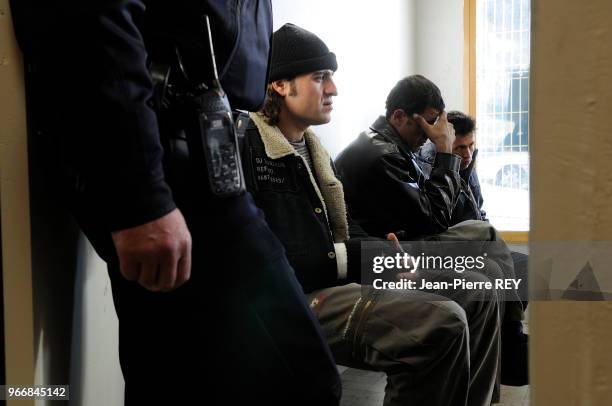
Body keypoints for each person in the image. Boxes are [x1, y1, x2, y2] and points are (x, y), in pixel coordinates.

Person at [10, 1, 341, 404]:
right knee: (300, 380)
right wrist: (142, 197)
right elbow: (90, 15)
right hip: (170, 159)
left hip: (196, 153)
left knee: (179, 379)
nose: (332, 89)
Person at [242, 23, 502, 406]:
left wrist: (384, 254)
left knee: (479, 291)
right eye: (319, 77)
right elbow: (294, 258)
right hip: (299, 297)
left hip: (341, 274)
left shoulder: (314, 153)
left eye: (330, 77)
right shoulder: (252, 148)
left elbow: (342, 232)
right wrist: (377, 258)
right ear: (280, 85)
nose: (333, 89)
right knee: (441, 323)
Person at [335, 77, 527, 386]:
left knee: (492, 264)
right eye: (425, 124)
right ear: (398, 117)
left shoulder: (389, 146)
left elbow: (433, 213)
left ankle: (499, 357)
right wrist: (444, 152)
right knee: (486, 234)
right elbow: (433, 219)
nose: (428, 135)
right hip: (389, 254)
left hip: (402, 242)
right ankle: (512, 343)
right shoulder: (381, 153)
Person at [417, 111, 529, 385]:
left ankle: (501, 340)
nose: (467, 153)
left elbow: (479, 213)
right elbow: (437, 228)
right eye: (459, 148)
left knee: (526, 267)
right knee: (492, 269)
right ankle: (507, 344)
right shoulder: (432, 173)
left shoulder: (469, 169)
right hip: (449, 254)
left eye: (470, 146)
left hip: (478, 246)